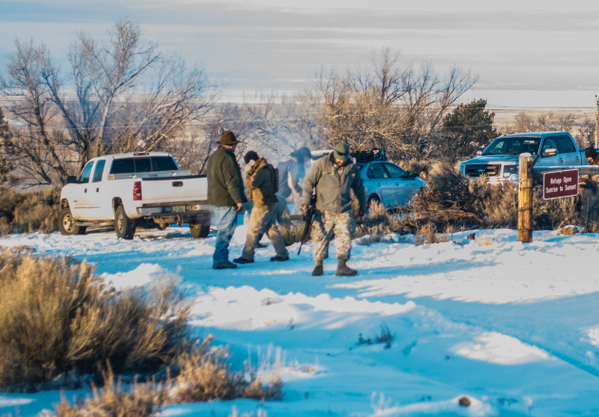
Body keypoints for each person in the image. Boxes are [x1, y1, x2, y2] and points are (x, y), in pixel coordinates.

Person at [301, 143, 367, 276]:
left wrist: (362, 204)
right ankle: (318, 265)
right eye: (339, 158)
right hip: (323, 209)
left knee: (345, 236)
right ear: (334, 154)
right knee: (321, 237)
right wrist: (306, 202)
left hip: (344, 209)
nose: (341, 161)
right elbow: (308, 181)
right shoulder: (321, 164)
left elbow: (359, 186)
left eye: (344, 158)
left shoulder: (351, 168)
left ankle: (342, 265)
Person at [234, 151, 289, 264]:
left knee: (253, 230)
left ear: (251, 161)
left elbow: (251, 185)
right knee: (272, 229)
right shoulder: (267, 168)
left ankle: (247, 255)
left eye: (248, 163)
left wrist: (248, 172)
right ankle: (282, 253)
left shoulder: (261, 172)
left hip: (262, 204)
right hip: (269, 203)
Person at [207, 131, 247, 269]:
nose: (235, 147)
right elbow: (232, 181)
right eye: (234, 144)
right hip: (226, 200)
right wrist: (238, 200)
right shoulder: (227, 158)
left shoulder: (213, 157)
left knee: (222, 229)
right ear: (232, 145)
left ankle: (220, 258)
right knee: (225, 231)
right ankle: (220, 259)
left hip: (216, 198)